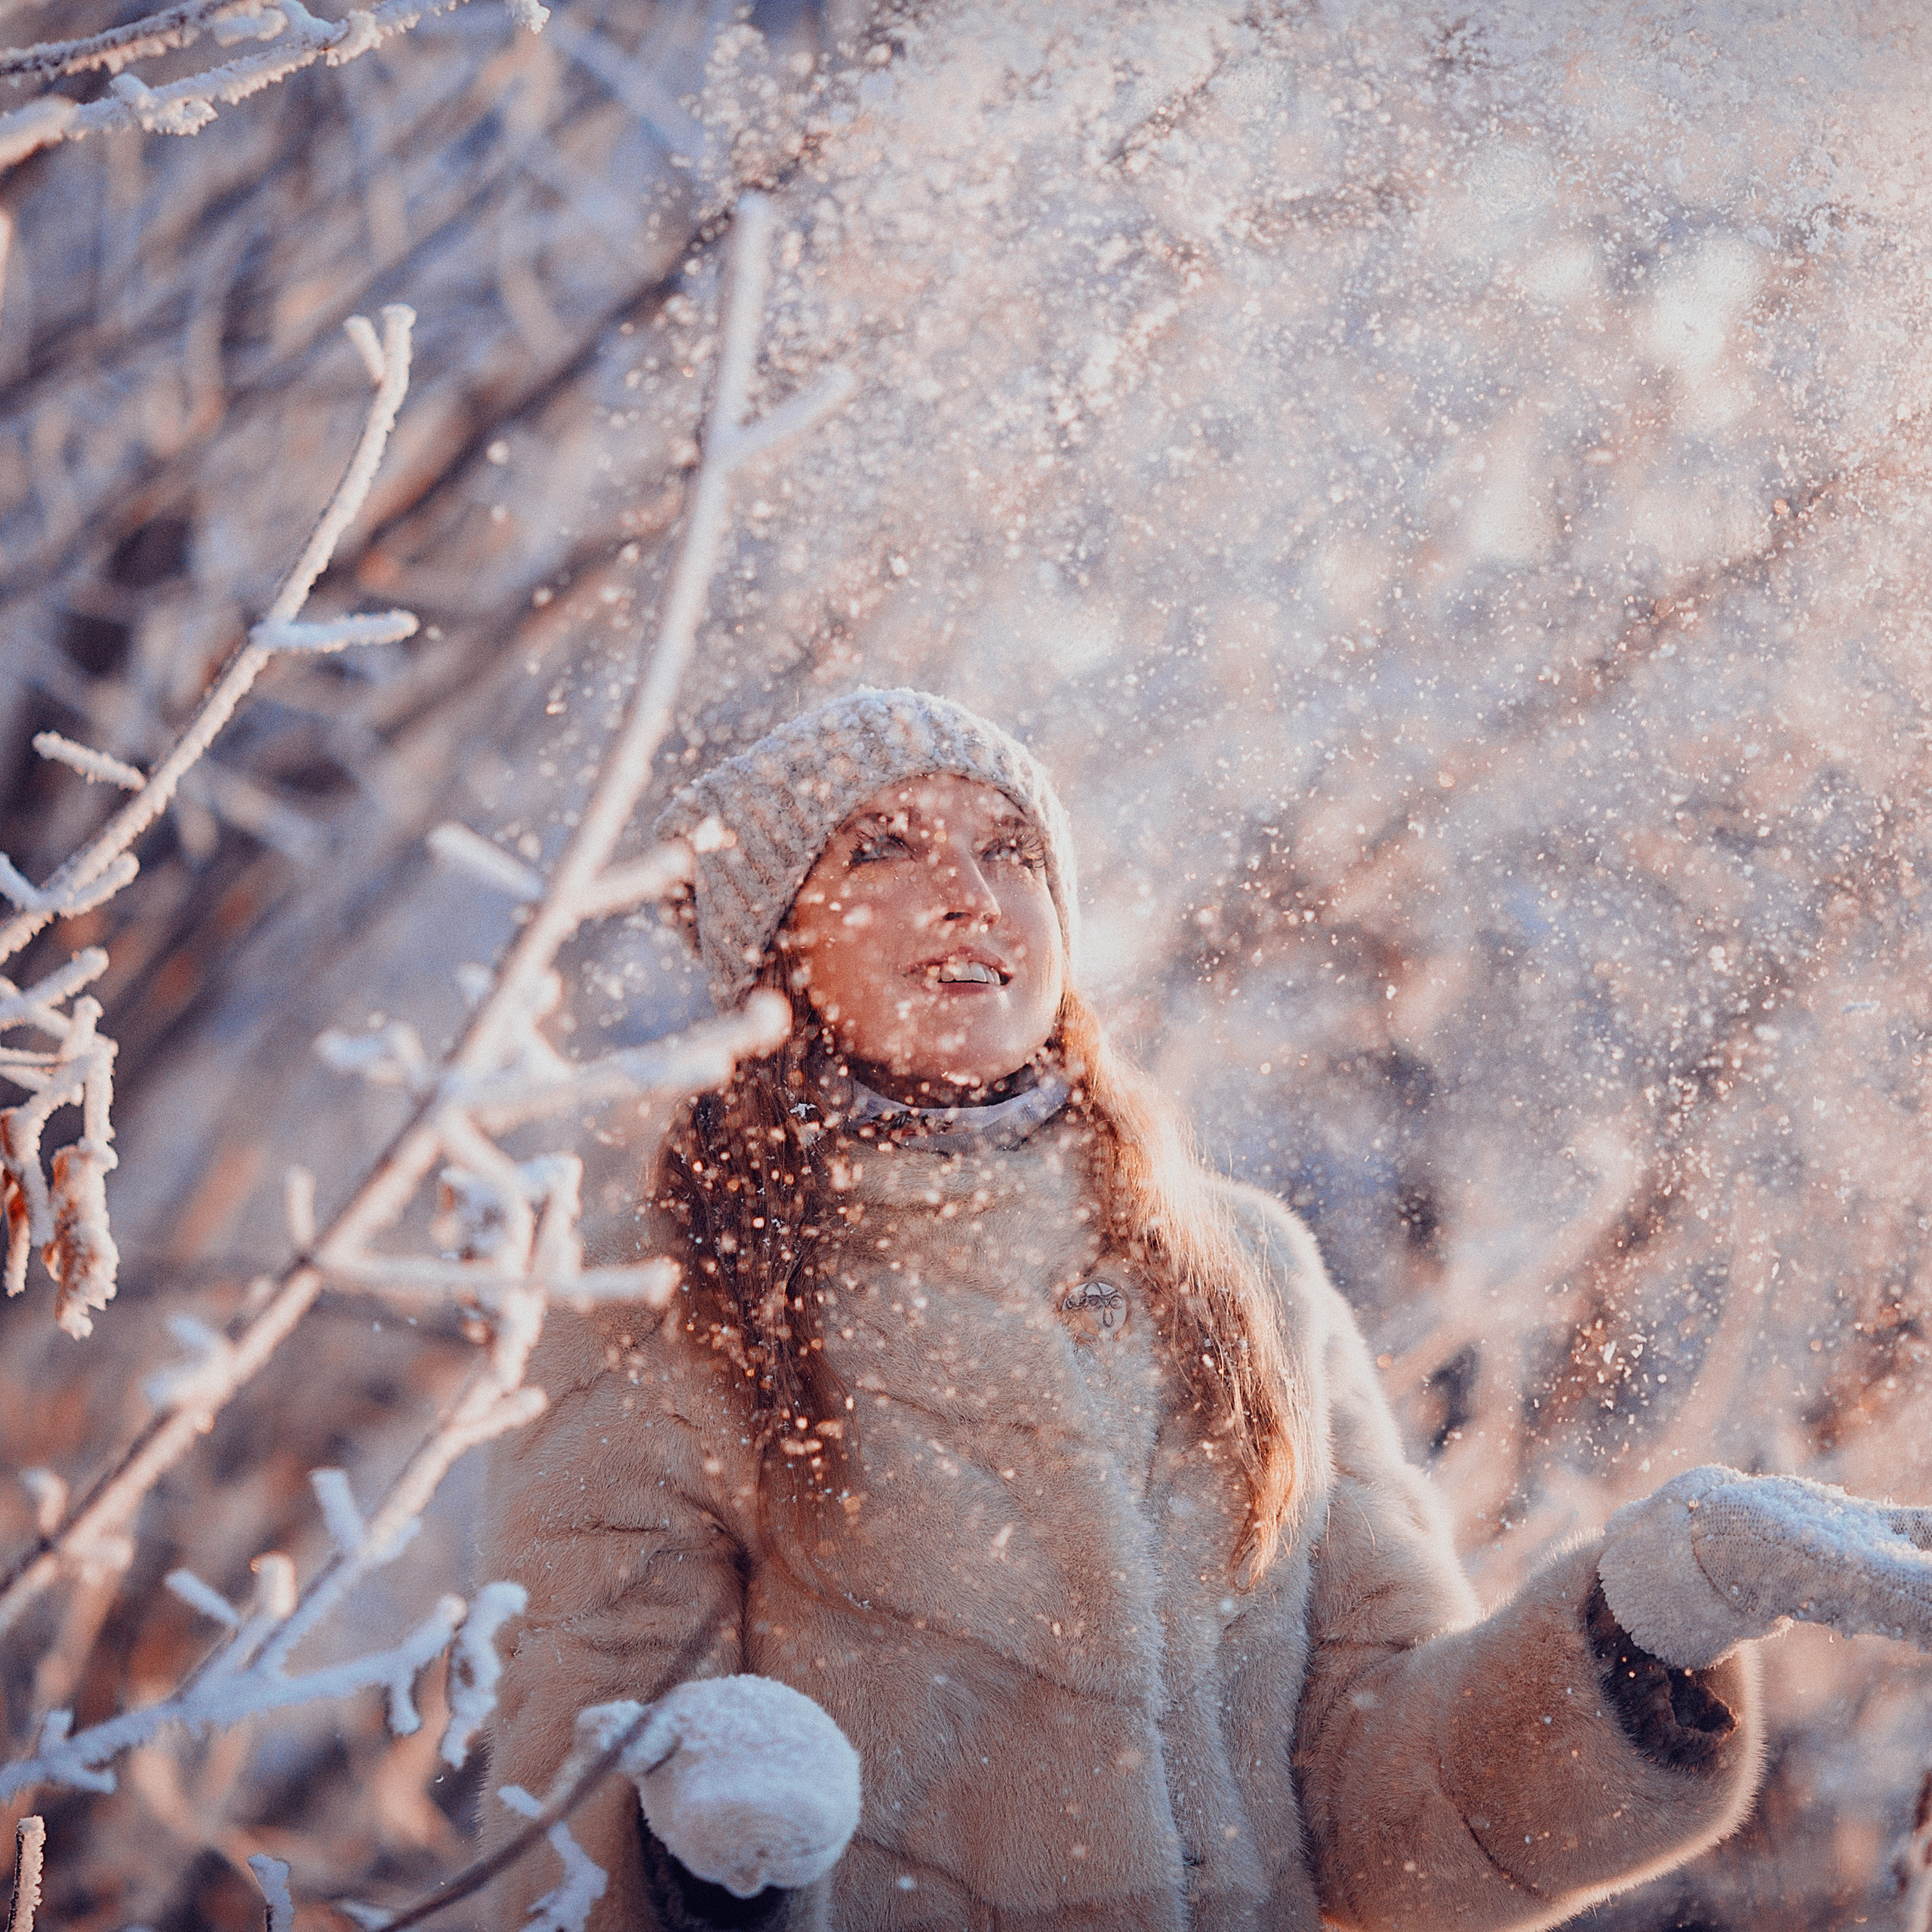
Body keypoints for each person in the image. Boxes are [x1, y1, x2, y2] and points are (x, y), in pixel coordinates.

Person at [478, 688, 1932, 1931]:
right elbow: (566, 1842)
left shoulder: (1245, 1272)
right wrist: (722, 1876)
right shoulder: (671, 1307)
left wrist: (1654, 1615)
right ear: (772, 947)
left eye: (1009, 850)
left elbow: (1397, 1818)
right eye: (885, 847)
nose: (972, 893)